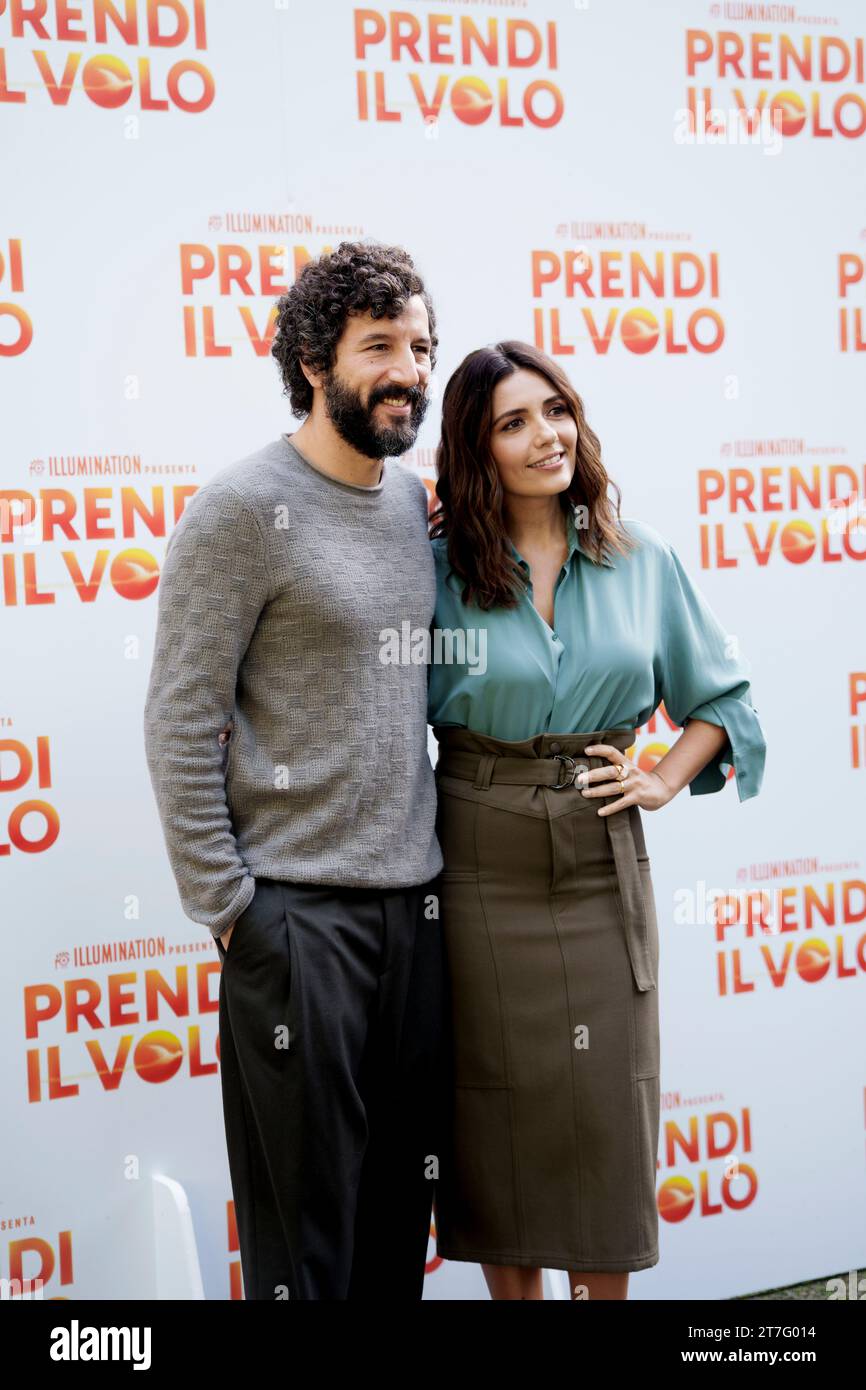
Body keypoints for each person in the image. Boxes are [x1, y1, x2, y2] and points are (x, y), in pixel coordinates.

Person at [426, 340, 767, 1302]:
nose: (547, 436)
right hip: (477, 864)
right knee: (498, 1119)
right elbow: (377, 717)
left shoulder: (639, 556)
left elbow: (720, 699)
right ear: (475, 448)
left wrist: (660, 781)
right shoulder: (437, 570)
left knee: (607, 1115)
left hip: (599, 858)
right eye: (514, 422)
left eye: (557, 410)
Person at [143, 240, 447, 1301]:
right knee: (303, 1253)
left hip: (415, 919)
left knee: (392, 1237)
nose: (408, 369)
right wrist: (234, 911)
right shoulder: (239, 511)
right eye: (380, 347)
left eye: (419, 346)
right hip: (296, 924)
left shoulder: (418, 508)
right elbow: (180, 721)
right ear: (313, 360)